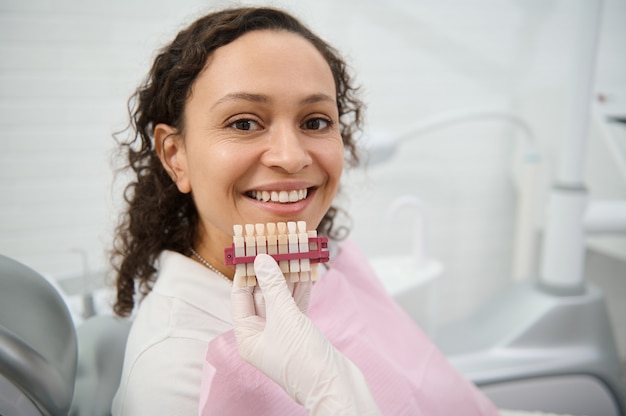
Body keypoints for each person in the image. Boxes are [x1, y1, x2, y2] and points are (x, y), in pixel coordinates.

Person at [110, 6, 499, 415]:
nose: (292, 157)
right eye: (244, 123)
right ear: (176, 156)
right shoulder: (172, 372)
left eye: (315, 122)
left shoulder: (333, 261)